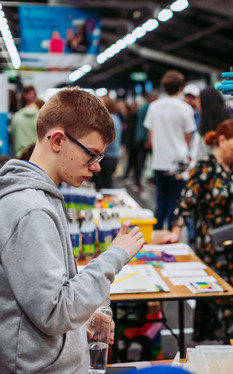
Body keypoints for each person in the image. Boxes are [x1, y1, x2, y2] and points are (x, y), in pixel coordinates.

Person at [0, 87, 144, 373]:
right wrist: (114, 256)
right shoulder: (31, 210)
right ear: (57, 140)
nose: (96, 167)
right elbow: (54, 312)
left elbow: (41, 300)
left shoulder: (40, 198)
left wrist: (82, 318)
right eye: (91, 155)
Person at [160, 119, 233, 343]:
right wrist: (175, 231)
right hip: (214, 248)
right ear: (222, 141)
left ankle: (232, 346)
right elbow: (186, 201)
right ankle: (227, 346)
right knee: (222, 300)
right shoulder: (205, 168)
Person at [144, 70, 197, 229]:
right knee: (175, 201)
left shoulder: (153, 107)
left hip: (159, 160)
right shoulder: (186, 108)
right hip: (178, 162)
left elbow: (151, 136)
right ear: (181, 87)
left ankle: (157, 233)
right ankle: (171, 236)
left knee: (160, 201)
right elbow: (189, 136)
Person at [95, 95, 122, 188]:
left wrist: (97, 154)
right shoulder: (116, 118)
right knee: (107, 182)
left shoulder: (110, 119)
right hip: (113, 156)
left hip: (107, 157)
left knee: (105, 185)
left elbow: (108, 140)